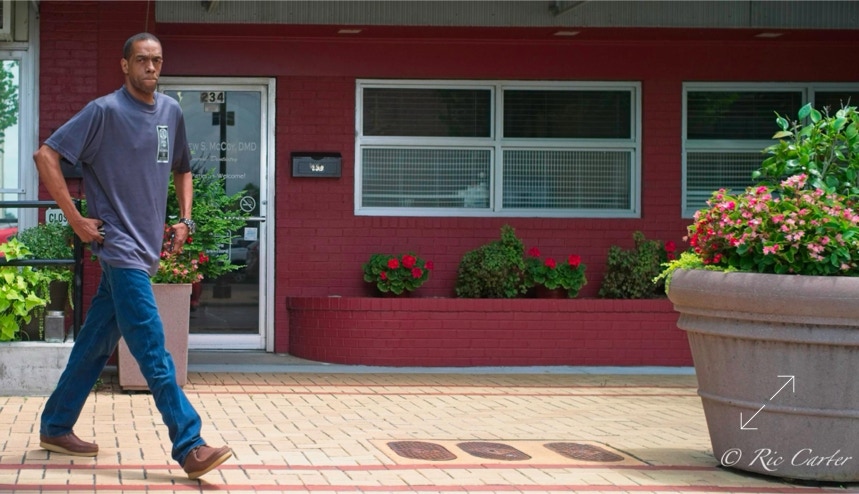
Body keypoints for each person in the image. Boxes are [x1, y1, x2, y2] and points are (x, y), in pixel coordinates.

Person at [32, 32, 232, 480]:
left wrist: (185, 219)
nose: (151, 67)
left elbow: (183, 168)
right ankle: (190, 444)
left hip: (145, 251)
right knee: (152, 347)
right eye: (141, 60)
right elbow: (45, 156)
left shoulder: (171, 112)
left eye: (157, 60)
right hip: (119, 248)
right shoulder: (103, 111)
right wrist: (76, 220)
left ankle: (56, 425)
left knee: (94, 345)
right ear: (124, 65)